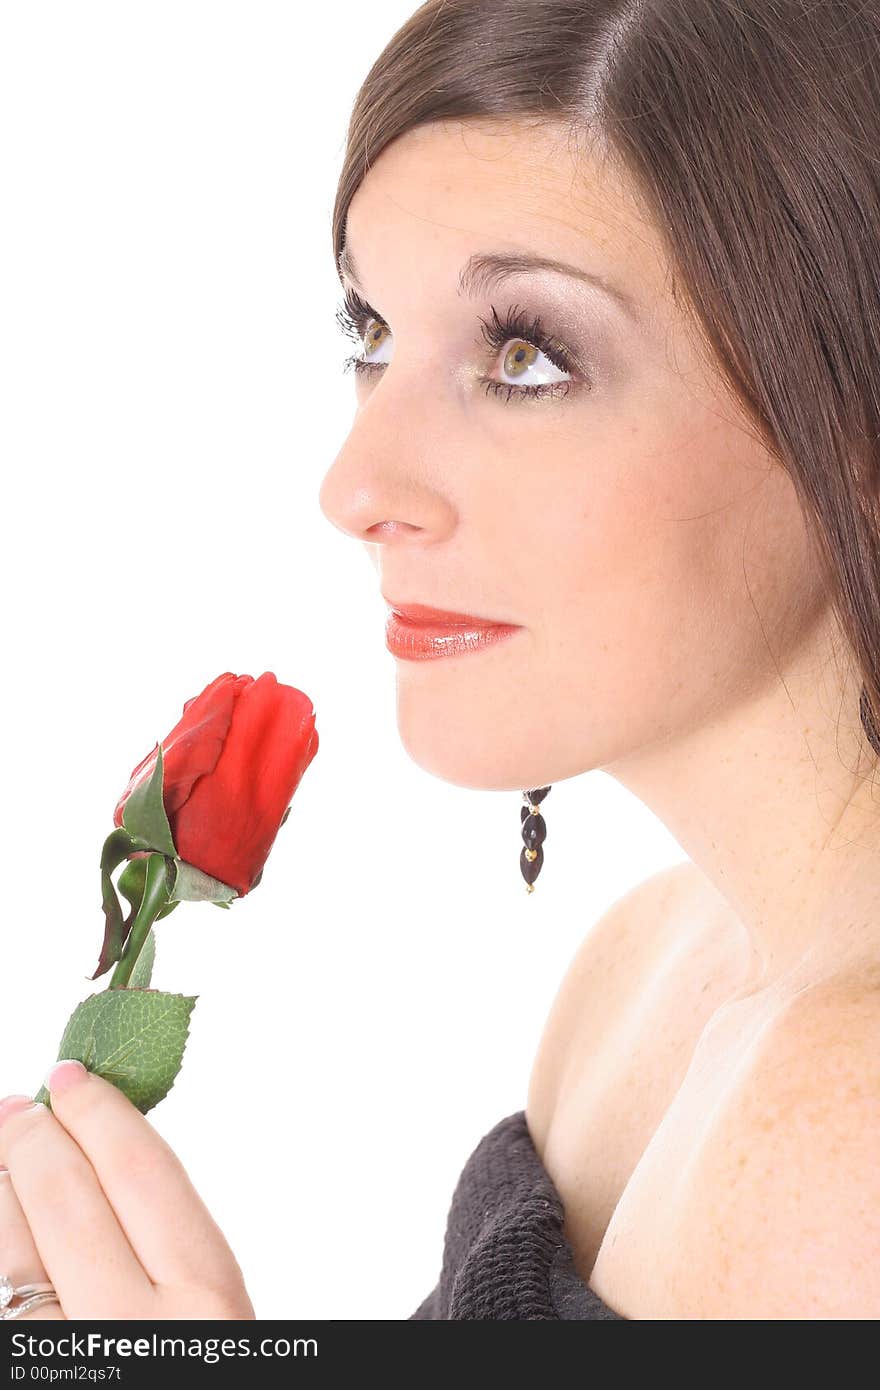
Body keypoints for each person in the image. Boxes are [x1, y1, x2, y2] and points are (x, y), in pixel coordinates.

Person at [3, 0, 880, 1321]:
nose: (355, 483)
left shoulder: (849, 1131)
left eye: (526, 355)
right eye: (370, 333)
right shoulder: (640, 966)